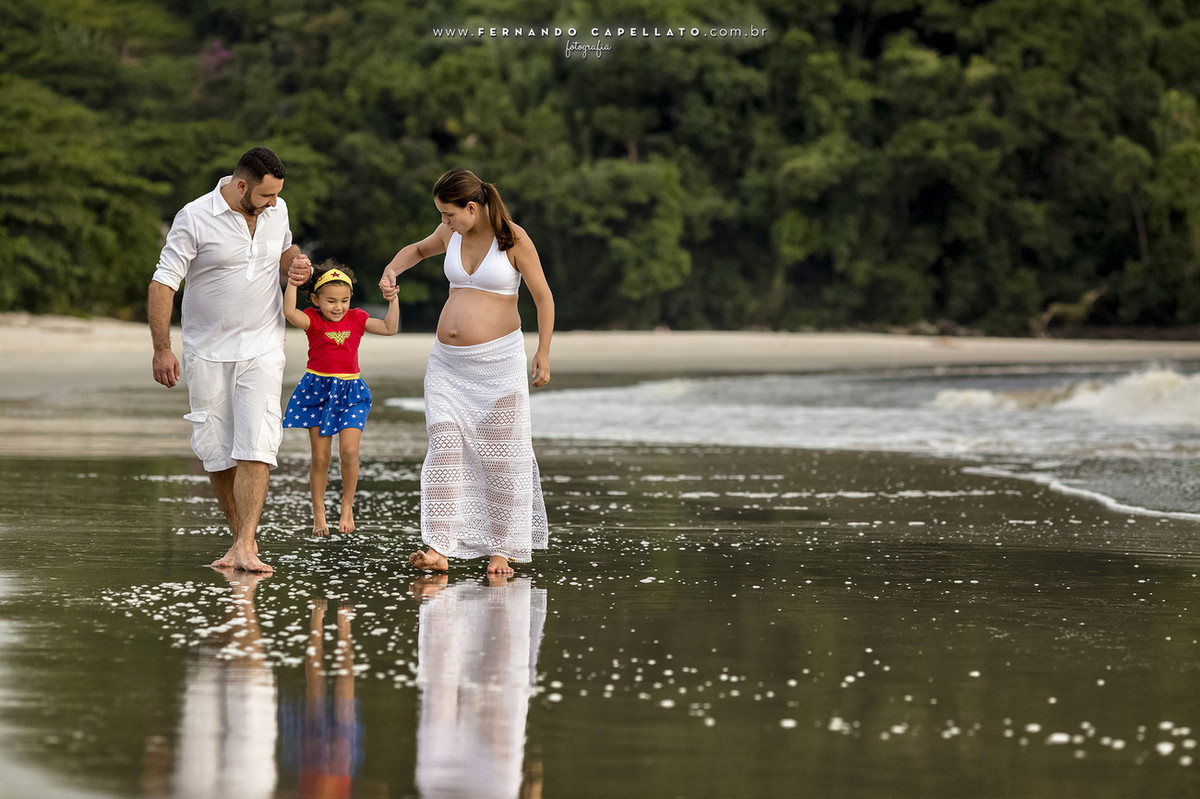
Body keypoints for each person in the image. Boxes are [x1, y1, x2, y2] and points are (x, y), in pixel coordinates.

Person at [379, 168, 553, 576]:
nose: (444, 223)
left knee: (501, 458)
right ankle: (439, 547)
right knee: (444, 448)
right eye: (441, 216)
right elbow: (419, 251)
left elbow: (543, 297)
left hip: (498, 363)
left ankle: (502, 550)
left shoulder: (514, 239)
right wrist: (392, 270)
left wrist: (543, 351)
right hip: (447, 364)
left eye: (449, 214)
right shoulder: (451, 235)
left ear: (471, 207)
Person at [149, 145, 313, 574]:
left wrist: (296, 265)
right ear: (241, 185)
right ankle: (240, 539)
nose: (273, 204)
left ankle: (246, 545)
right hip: (206, 350)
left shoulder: (277, 212)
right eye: (265, 196)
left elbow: (284, 253)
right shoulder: (194, 216)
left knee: (258, 443)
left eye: (277, 196)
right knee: (218, 451)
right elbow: (164, 282)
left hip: (263, 345)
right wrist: (162, 348)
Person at [283, 260, 400, 536]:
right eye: (331, 301)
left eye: (344, 300)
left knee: (349, 451)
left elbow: (389, 328)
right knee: (320, 458)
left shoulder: (357, 318)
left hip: (351, 393)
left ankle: (347, 505)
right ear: (315, 299)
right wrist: (291, 283)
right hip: (317, 391)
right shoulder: (312, 319)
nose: (338, 307)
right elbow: (290, 312)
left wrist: (393, 300)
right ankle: (319, 512)